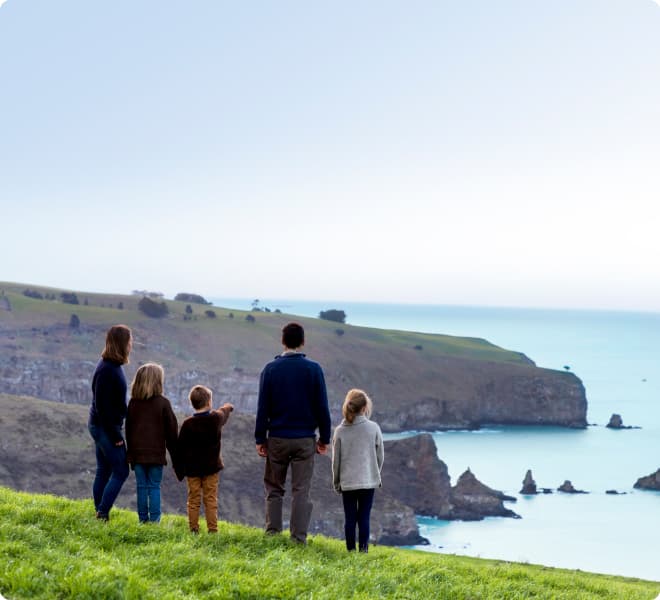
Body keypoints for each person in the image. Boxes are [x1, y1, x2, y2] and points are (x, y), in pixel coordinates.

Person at [254, 322, 332, 544]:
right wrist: (324, 438)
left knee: (274, 488)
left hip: (277, 438)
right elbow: (322, 407)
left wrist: (260, 438)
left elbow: (263, 408)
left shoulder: (270, 369)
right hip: (305, 439)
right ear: (303, 341)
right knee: (301, 491)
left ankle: (273, 535)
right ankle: (298, 539)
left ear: (283, 341)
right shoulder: (314, 369)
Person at [174, 385, 233, 533]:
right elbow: (223, 413)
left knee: (194, 500)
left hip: (192, 471)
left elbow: (179, 449)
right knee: (210, 499)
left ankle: (193, 529)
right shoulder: (215, 419)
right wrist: (228, 407)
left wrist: (180, 470)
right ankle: (212, 529)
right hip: (211, 469)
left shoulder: (187, 424)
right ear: (209, 402)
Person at [88, 324, 132, 521]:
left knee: (104, 470)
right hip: (105, 428)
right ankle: (102, 513)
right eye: (129, 342)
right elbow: (103, 408)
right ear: (122, 344)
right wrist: (116, 436)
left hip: (101, 426)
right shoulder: (107, 370)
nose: (131, 345)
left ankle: (99, 511)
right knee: (121, 470)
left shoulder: (111, 366)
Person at [332, 388, 384, 553]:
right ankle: (363, 551)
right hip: (368, 481)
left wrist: (336, 482)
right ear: (364, 408)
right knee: (364, 518)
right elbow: (380, 456)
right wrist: (374, 473)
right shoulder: (373, 428)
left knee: (350, 518)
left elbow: (336, 461)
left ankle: (350, 551)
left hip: (348, 482)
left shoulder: (340, 431)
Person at [125, 363, 178, 523]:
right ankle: (155, 521)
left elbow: (129, 431)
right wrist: (176, 456)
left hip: (138, 455)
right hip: (156, 456)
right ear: (158, 382)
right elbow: (172, 433)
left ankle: (142, 520)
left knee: (141, 487)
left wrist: (131, 455)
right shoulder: (163, 403)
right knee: (154, 486)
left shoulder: (133, 403)